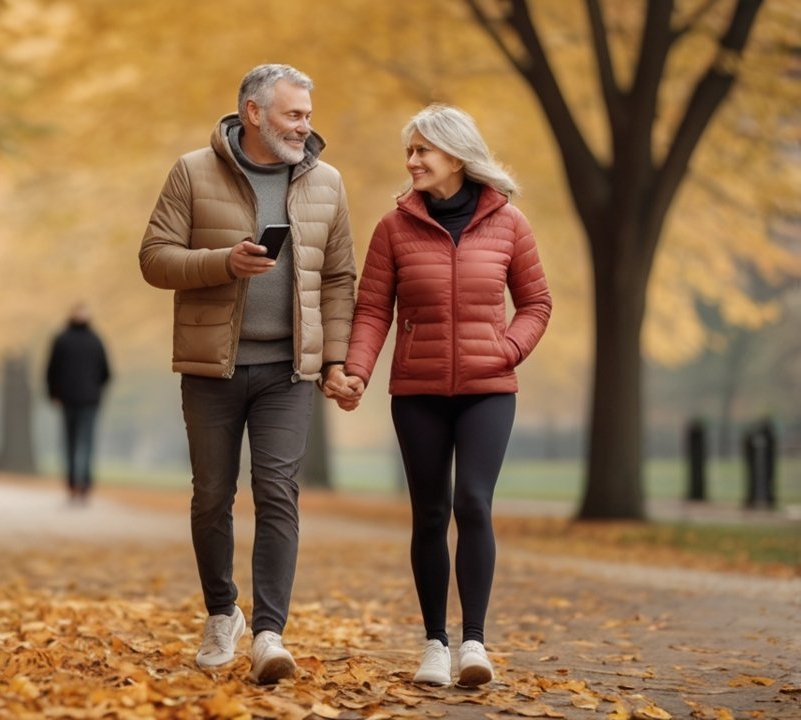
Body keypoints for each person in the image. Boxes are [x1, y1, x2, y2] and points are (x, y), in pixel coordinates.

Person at [138, 64, 356, 684]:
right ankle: (220, 611)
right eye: (294, 115)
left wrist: (334, 361)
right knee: (211, 496)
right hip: (213, 368)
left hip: (288, 371)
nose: (305, 126)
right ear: (254, 113)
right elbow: (154, 258)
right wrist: (221, 263)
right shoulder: (191, 171)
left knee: (278, 495)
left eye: (308, 115)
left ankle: (268, 633)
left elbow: (340, 277)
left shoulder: (326, 182)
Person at [333, 104, 552, 688]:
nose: (411, 162)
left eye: (422, 151)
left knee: (473, 504)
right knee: (430, 513)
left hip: (488, 392)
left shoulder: (510, 224)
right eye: (410, 152)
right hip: (418, 392)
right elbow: (374, 309)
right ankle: (435, 643)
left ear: (456, 155)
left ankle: (475, 644)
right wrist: (356, 371)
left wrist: (506, 350)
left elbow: (536, 304)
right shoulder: (393, 228)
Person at [45, 302, 112, 505]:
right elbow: (106, 373)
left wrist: (54, 393)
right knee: (84, 443)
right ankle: (82, 485)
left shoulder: (61, 339)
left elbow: (50, 372)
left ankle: (76, 485)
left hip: (73, 399)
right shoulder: (95, 340)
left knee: (73, 443)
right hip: (86, 400)